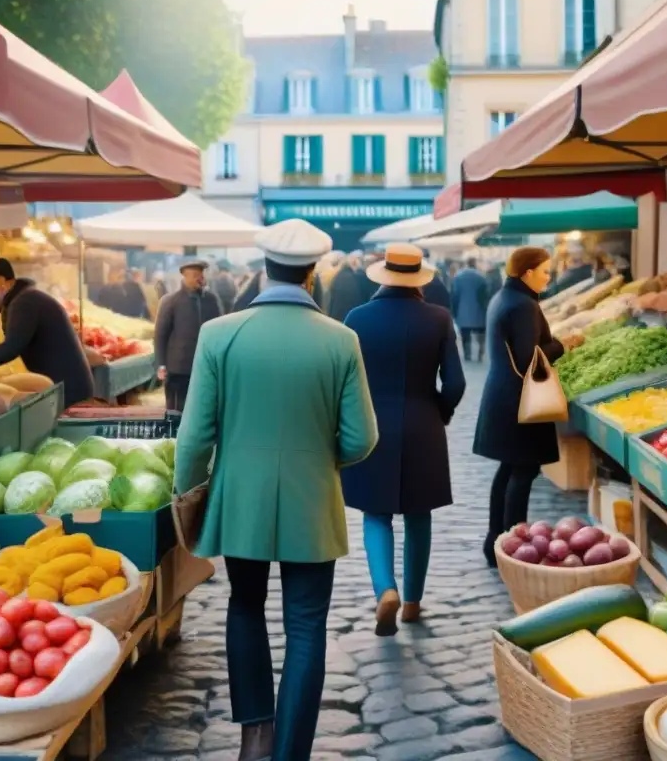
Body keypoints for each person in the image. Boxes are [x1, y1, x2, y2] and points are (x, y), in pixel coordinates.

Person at [175, 219, 378, 761]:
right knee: (307, 626)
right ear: (312, 274)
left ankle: (255, 736)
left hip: (239, 496)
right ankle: (291, 752)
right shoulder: (342, 340)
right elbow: (362, 437)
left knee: (244, 605)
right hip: (312, 501)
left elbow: (193, 437)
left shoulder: (220, 334)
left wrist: (185, 495)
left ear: (265, 268)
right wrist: (319, 459)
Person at [342, 244, 466, 636]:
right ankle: (412, 602)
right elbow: (456, 383)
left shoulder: (356, 319)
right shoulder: (439, 318)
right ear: (418, 279)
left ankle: (386, 590)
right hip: (423, 423)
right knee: (419, 515)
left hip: (372, 425)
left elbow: (345, 383)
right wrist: (439, 412)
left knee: (375, 514)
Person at [473, 247, 583, 567]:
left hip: (504, 395)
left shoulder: (503, 298)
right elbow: (529, 358)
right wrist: (566, 343)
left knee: (510, 467)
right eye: (545, 271)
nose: (549, 276)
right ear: (527, 273)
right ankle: (512, 545)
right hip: (520, 400)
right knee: (522, 470)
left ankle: (496, 541)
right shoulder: (523, 305)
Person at [0, 258, 94, 407]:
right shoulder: (25, 298)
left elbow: (11, 348)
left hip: (69, 392)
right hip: (67, 387)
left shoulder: (24, 302)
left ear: (4, 284)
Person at [153, 258, 222, 412]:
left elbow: (220, 331)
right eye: (196, 275)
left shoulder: (212, 300)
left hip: (205, 367)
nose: (200, 278)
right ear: (185, 276)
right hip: (178, 369)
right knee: (176, 410)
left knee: (202, 408)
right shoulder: (170, 301)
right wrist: (161, 364)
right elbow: (160, 335)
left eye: (201, 274)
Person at [451, 257, 489, 362]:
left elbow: (455, 296)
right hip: (479, 312)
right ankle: (480, 354)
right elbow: (484, 296)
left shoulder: (458, 277)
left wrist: (454, 312)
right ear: (475, 264)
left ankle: (467, 354)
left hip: (463, 312)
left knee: (465, 336)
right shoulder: (481, 277)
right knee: (481, 334)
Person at [327, 250, 368, 321]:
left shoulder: (338, 276)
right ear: (355, 262)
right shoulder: (357, 277)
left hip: (336, 318)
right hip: (351, 318)